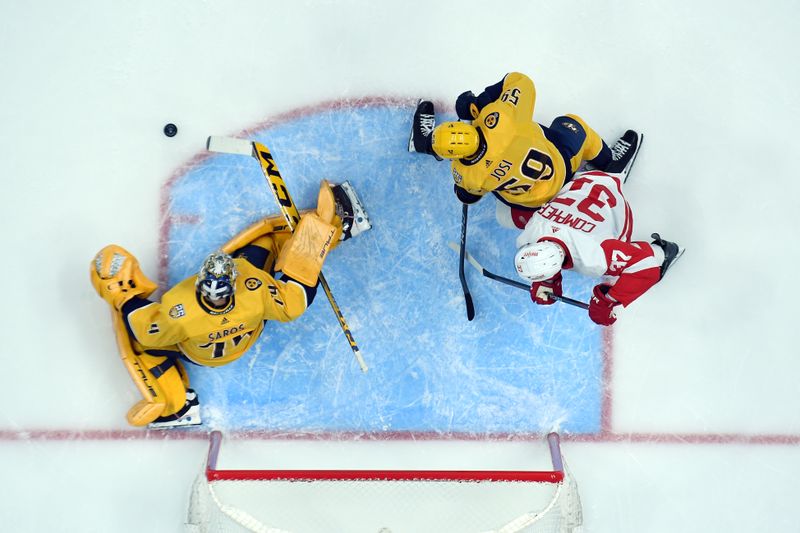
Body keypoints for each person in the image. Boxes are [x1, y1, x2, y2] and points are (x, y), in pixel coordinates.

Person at [90, 181, 370, 428]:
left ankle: (178, 408)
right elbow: (296, 300)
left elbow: (142, 327)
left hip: (200, 354)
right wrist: (310, 254)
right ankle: (337, 227)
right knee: (268, 242)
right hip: (247, 337)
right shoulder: (254, 289)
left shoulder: (179, 310)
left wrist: (122, 295)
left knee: (141, 347)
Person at [409, 72, 627, 229]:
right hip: (557, 171)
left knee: (487, 183)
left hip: (524, 200)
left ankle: (424, 144)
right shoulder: (501, 118)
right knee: (570, 123)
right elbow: (520, 80)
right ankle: (610, 165)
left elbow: (466, 196)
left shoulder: (465, 175)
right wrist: (479, 103)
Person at [513, 131, 683, 326]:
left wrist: (608, 299)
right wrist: (546, 281)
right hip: (580, 186)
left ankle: (664, 251)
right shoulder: (530, 234)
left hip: (613, 208)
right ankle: (597, 167)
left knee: (634, 265)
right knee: (511, 215)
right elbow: (547, 250)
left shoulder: (596, 257)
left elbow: (646, 264)